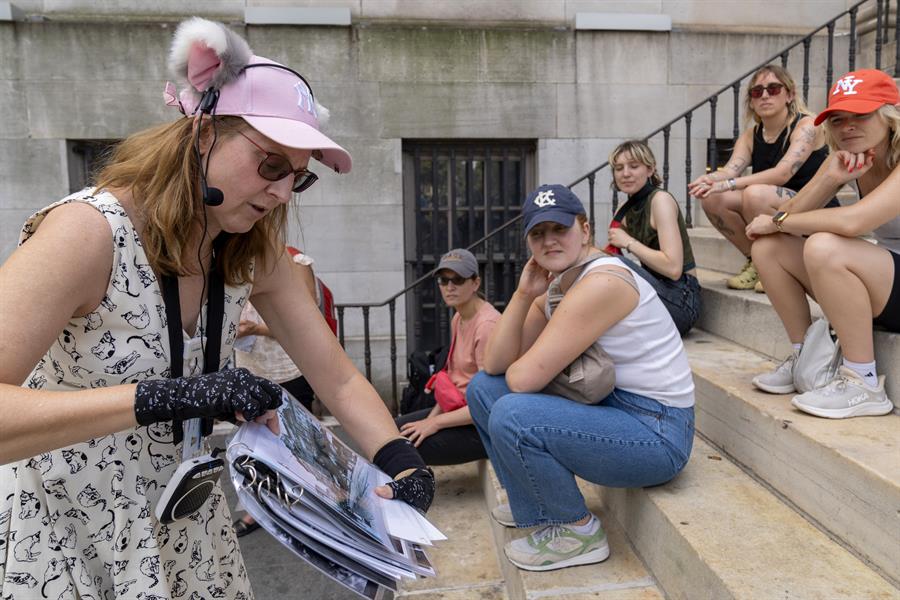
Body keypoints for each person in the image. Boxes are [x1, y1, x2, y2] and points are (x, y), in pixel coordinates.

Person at [0, 18, 433, 599]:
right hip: (71, 531)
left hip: (188, 532)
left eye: (297, 179)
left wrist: (402, 459)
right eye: (271, 165)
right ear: (204, 133)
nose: (282, 192)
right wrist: (172, 397)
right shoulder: (86, 233)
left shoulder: (252, 246)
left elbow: (338, 377)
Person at [468, 184, 695, 571]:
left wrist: (528, 357)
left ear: (585, 230)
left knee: (513, 413)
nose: (549, 240)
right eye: (538, 233)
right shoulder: (561, 281)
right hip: (616, 408)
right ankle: (536, 507)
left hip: (657, 432)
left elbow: (522, 379)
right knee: (483, 390)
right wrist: (524, 295)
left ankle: (578, 531)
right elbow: (494, 364)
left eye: (560, 229)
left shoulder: (603, 282)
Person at [745, 69, 899, 418]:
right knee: (768, 249)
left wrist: (780, 221)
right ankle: (808, 359)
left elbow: (853, 222)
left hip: (893, 279)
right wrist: (829, 178)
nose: (848, 127)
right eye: (839, 119)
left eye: (861, 115)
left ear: (890, 115)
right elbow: (782, 219)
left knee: (824, 245)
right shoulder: (852, 156)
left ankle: (863, 382)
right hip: (889, 278)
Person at [689, 64, 833, 291]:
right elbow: (730, 170)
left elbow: (783, 173)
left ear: (790, 94)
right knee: (712, 198)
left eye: (773, 88)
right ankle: (757, 260)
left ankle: (775, 267)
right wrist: (710, 180)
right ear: (752, 101)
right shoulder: (751, 135)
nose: (765, 95)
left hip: (816, 207)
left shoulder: (807, 125)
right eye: (757, 92)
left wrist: (729, 184)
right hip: (778, 206)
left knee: (754, 193)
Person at [232, 246, 320, 538]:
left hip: (290, 366)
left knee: (298, 439)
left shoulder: (296, 260)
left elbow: (307, 321)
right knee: (257, 442)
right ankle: (261, 506)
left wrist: (256, 328)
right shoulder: (232, 260)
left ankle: (308, 505)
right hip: (250, 367)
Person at [395, 248, 499, 465]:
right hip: (459, 412)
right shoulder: (459, 318)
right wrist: (431, 419)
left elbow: (490, 403)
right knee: (390, 431)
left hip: (483, 425)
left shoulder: (487, 326)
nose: (450, 287)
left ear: (476, 283)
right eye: (444, 280)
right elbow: (453, 385)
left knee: (401, 447)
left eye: (458, 280)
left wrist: (435, 424)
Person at [606, 140, 701, 335]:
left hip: (681, 300)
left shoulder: (660, 201)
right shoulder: (624, 211)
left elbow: (673, 268)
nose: (625, 173)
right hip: (654, 293)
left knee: (615, 263)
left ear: (650, 170)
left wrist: (628, 242)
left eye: (634, 166)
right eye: (618, 168)